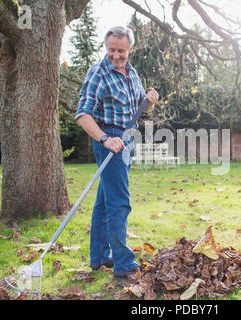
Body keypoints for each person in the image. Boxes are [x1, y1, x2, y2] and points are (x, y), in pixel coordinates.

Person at [75, 26, 159, 278]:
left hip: (126, 140)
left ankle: (100, 257)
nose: (115, 55)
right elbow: (83, 114)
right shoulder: (98, 73)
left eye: (121, 50)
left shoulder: (131, 73)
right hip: (109, 142)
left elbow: (136, 110)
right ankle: (124, 265)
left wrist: (148, 102)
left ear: (130, 49)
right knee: (119, 203)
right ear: (106, 46)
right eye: (111, 49)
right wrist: (104, 138)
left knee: (104, 202)